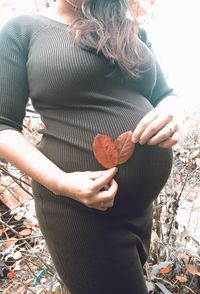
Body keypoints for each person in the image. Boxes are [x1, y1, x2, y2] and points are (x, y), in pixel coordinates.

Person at [0, 0, 182, 293]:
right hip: (78, 210)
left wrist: (173, 111)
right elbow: (2, 126)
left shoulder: (128, 29)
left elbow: (166, 94)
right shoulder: (22, 30)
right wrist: (59, 182)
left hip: (138, 210)